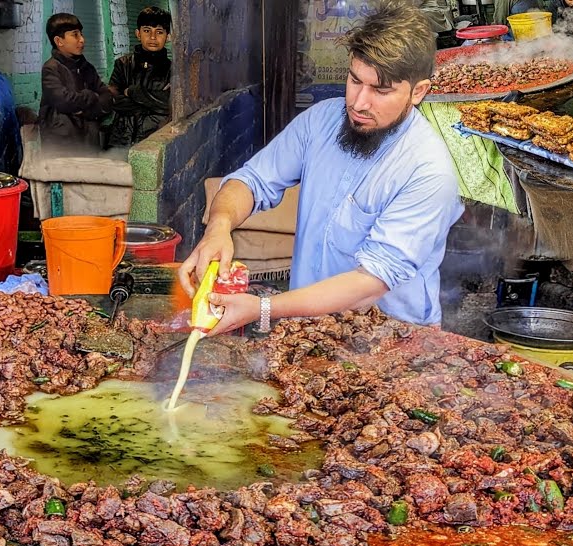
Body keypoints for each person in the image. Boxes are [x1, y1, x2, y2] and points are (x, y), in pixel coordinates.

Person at [179, 1, 462, 331]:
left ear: (418, 92)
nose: (359, 103)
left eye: (380, 91)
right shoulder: (320, 121)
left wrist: (263, 308)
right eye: (355, 81)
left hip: (391, 338)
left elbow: (370, 282)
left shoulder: (428, 170)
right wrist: (218, 227)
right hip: (307, 326)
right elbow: (251, 181)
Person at [38, 13, 113, 147]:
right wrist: (90, 96)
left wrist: (86, 111)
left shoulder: (87, 68)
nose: (82, 40)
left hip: (89, 143)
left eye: (81, 34)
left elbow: (107, 97)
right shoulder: (51, 68)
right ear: (59, 41)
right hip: (62, 145)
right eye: (75, 35)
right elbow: (63, 101)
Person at [105, 6, 172, 148]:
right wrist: (150, 105)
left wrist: (133, 92)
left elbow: (168, 104)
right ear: (138, 34)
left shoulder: (173, 70)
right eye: (147, 31)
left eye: (159, 32)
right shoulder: (123, 64)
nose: (153, 37)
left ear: (168, 36)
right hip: (121, 140)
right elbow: (113, 100)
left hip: (154, 142)